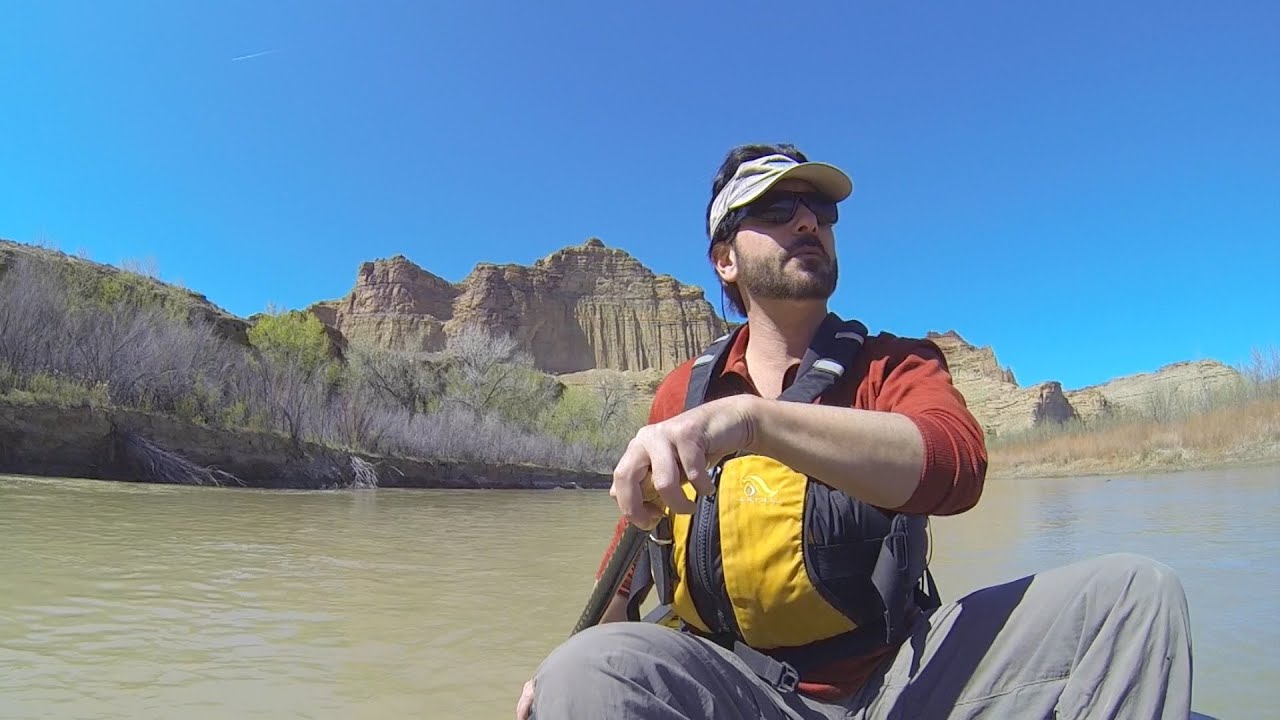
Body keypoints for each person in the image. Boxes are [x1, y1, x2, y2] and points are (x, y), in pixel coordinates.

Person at [517, 143, 1193, 719]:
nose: (808, 220)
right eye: (777, 211)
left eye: (820, 210)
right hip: (733, 691)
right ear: (725, 260)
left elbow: (956, 468)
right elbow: (631, 558)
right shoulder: (680, 396)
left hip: (896, 683)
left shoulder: (894, 364)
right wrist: (560, 672)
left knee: (1136, 594)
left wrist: (754, 421)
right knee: (581, 671)